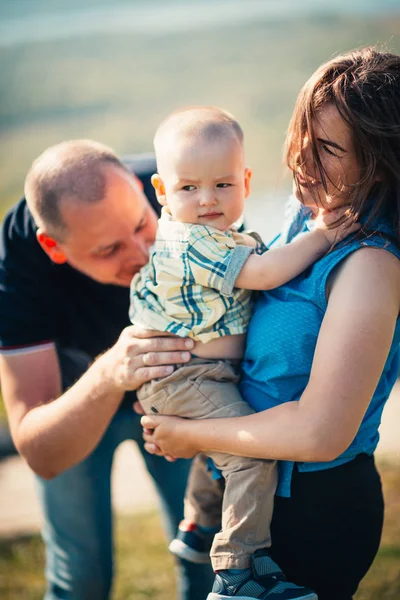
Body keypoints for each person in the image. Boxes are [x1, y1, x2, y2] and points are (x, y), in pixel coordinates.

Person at [140, 47, 400, 600]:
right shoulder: (305, 214)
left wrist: (188, 435)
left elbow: (319, 433)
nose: (302, 157)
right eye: (303, 133)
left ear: (379, 161)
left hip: (313, 512)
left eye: (328, 147)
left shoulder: (371, 266)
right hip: (246, 487)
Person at [0, 141, 215, 600]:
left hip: (176, 394)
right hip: (74, 404)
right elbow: (40, 452)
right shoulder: (19, 260)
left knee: (210, 552)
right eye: (109, 249)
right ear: (52, 247)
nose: (139, 254)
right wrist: (111, 372)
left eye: (141, 224)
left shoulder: (182, 190)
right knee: (82, 577)